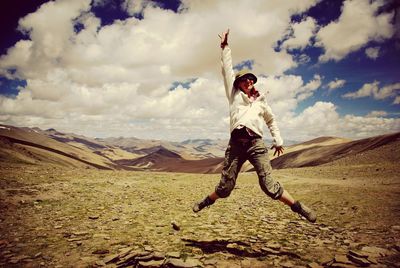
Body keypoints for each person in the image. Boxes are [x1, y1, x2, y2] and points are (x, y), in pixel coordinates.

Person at [192, 29, 316, 223]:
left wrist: (278, 140)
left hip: (256, 145)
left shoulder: (261, 102)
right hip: (235, 146)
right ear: (239, 83)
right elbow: (227, 70)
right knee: (225, 188)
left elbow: (271, 120)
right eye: (246, 79)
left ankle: (299, 208)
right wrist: (225, 47)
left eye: (252, 79)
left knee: (268, 185)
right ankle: (205, 202)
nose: (250, 81)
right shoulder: (233, 96)